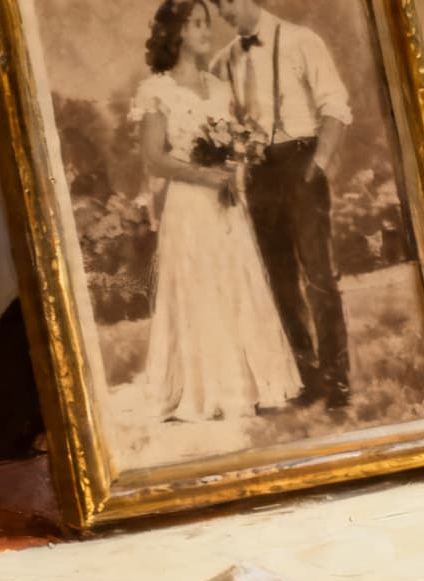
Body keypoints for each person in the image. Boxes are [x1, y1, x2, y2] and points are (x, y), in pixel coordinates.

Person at [131, 0, 302, 422]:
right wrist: (204, 177)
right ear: (175, 33)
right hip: (189, 205)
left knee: (234, 281)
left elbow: (235, 145)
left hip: (226, 204)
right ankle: (203, 390)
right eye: (196, 23)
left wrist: (231, 173)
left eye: (207, 23)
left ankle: (247, 384)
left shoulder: (219, 89)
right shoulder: (156, 90)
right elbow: (154, 159)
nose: (206, 30)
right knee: (198, 284)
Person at [212, 0, 354, 410]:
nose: (223, 12)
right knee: (279, 280)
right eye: (216, 6)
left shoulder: (301, 40)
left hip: (301, 162)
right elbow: (219, 122)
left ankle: (336, 380)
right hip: (258, 173)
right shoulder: (224, 62)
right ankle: (305, 377)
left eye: (226, 3)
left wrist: (319, 165)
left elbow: (335, 106)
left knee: (320, 276)